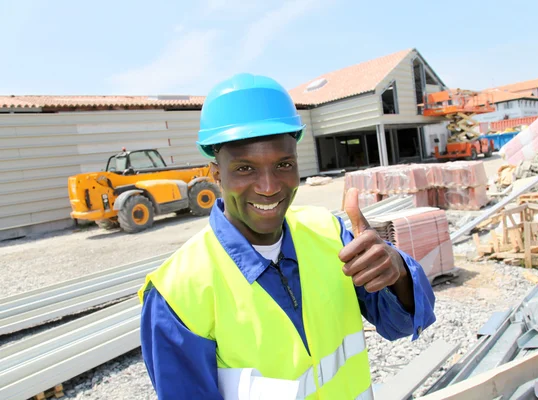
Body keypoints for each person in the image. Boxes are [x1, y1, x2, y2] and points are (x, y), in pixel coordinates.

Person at [138, 73, 436, 399]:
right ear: (216, 174)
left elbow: (402, 324)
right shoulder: (177, 294)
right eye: (244, 168)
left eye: (283, 164)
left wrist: (398, 271)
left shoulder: (329, 234)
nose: (268, 187)